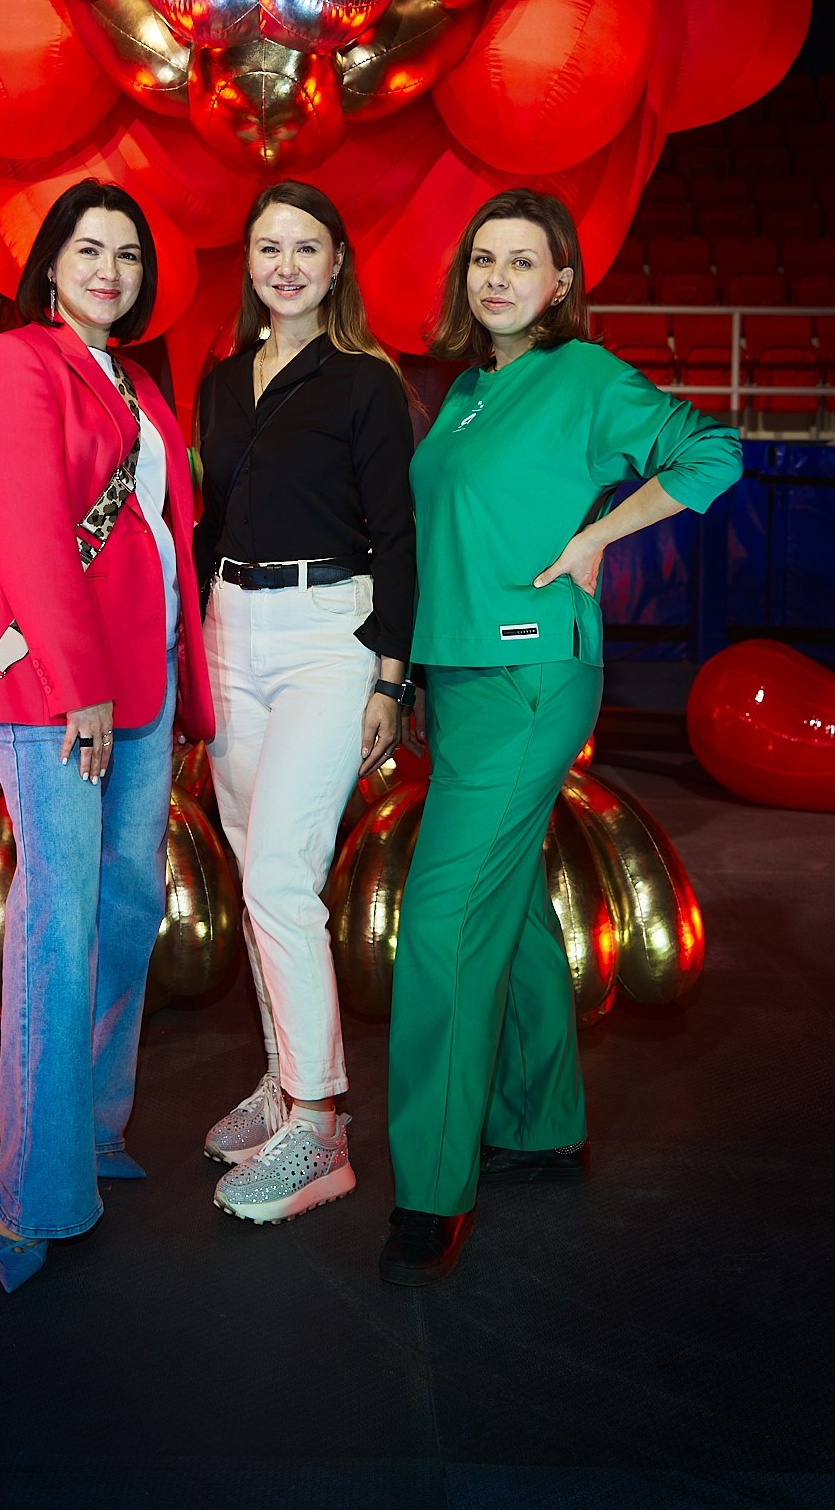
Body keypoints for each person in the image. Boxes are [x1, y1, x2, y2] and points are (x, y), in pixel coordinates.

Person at [381, 188, 742, 1286]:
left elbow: (712, 451)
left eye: (521, 261)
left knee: (440, 919)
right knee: (511, 905)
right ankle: (541, 1123)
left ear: (560, 282)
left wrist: (600, 535)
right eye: (482, 259)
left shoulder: (583, 377)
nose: (496, 278)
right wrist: (411, 675)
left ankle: (429, 1187)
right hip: (459, 680)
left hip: (533, 672)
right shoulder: (463, 392)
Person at [0, 179, 212, 1292]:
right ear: (52, 264)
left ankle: (94, 1126)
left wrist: (175, 684)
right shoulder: (19, 361)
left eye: (127, 253)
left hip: (144, 681)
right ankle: (34, 1190)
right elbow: (26, 529)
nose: (110, 269)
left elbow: (160, 533)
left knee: (127, 908)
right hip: (63, 691)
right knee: (58, 922)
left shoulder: (140, 382)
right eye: (88, 248)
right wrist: (79, 686)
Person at [193, 180, 416, 1224]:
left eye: (305, 247)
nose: (285, 265)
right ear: (248, 263)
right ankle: (285, 1080)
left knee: (283, 874)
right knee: (256, 871)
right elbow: (209, 521)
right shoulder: (220, 379)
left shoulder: (365, 381)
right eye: (267, 247)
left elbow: (398, 534)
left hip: (329, 632)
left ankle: (320, 1126)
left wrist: (390, 676)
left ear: (336, 265)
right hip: (230, 628)